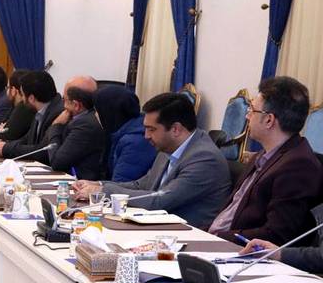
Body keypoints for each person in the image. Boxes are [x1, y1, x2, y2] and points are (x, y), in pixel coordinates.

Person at [71, 92, 230, 230]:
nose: (146, 136)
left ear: (175, 129)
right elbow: (142, 185)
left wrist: (104, 191)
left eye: (151, 129)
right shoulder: (168, 147)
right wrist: (98, 184)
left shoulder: (204, 158)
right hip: (157, 227)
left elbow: (160, 200)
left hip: (187, 237)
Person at [207, 76, 323, 245]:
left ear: (269, 120)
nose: (247, 116)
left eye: (252, 110)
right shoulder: (264, 154)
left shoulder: (298, 166)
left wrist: (217, 238)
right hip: (217, 240)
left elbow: (276, 234)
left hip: (240, 251)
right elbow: (231, 213)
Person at [0, 71, 73, 162]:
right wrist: (4, 145)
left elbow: (42, 151)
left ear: (31, 98)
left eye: (22, 94)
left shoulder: (58, 114)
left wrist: (6, 149)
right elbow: (26, 139)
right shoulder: (41, 110)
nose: (22, 100)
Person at [95, 85, 156, 183]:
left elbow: (121, 182)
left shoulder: (135, 141)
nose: (96, 115)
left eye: (98, 110)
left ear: (109, 111)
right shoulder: (122, 132)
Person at [46, 84, 106, 180]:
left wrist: (56, 126)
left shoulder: (84, 125)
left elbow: (57, 163)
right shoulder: (83, 119)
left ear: (76, 105)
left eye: (64, 100)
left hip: (85, 181)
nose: (63, 106)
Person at [0, 69, 34, 142]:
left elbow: (3, 136)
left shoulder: (24, 108)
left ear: (13, 90)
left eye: (7, 88)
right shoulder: (13, 105)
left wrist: (1, 131)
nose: (6, 92)